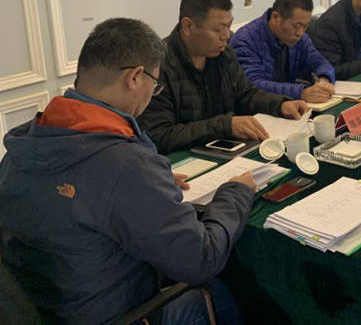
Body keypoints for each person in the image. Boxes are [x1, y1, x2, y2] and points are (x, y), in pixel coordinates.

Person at [0, 18, 254, 325]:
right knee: (225, 290)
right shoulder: (126, 164)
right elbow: (201, 259)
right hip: (119, 314)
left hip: (45, 308)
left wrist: (149, 185)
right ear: (134, 77)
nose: (153, 94)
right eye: (155, 84)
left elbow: (82, 194)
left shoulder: (27, 141)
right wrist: (236, 193)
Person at [139, 0, 307, 155]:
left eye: (229, 26)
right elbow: (158, 136)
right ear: (188, 26)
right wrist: (225, 125)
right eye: (218, 29)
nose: (226, 35)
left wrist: (280, 105)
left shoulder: (223, 53)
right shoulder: (157, 66)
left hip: (226, 151)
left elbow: (246, 95)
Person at [231, 0, 336, 102]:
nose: (300, 33)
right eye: (297, 26)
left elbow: (321, 63)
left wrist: (323, 81)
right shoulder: (245, 40)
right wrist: (301, 92)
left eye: (305, 26)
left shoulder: (300, 39)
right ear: (275, 17)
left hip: (286, 104)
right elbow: (253, 86)